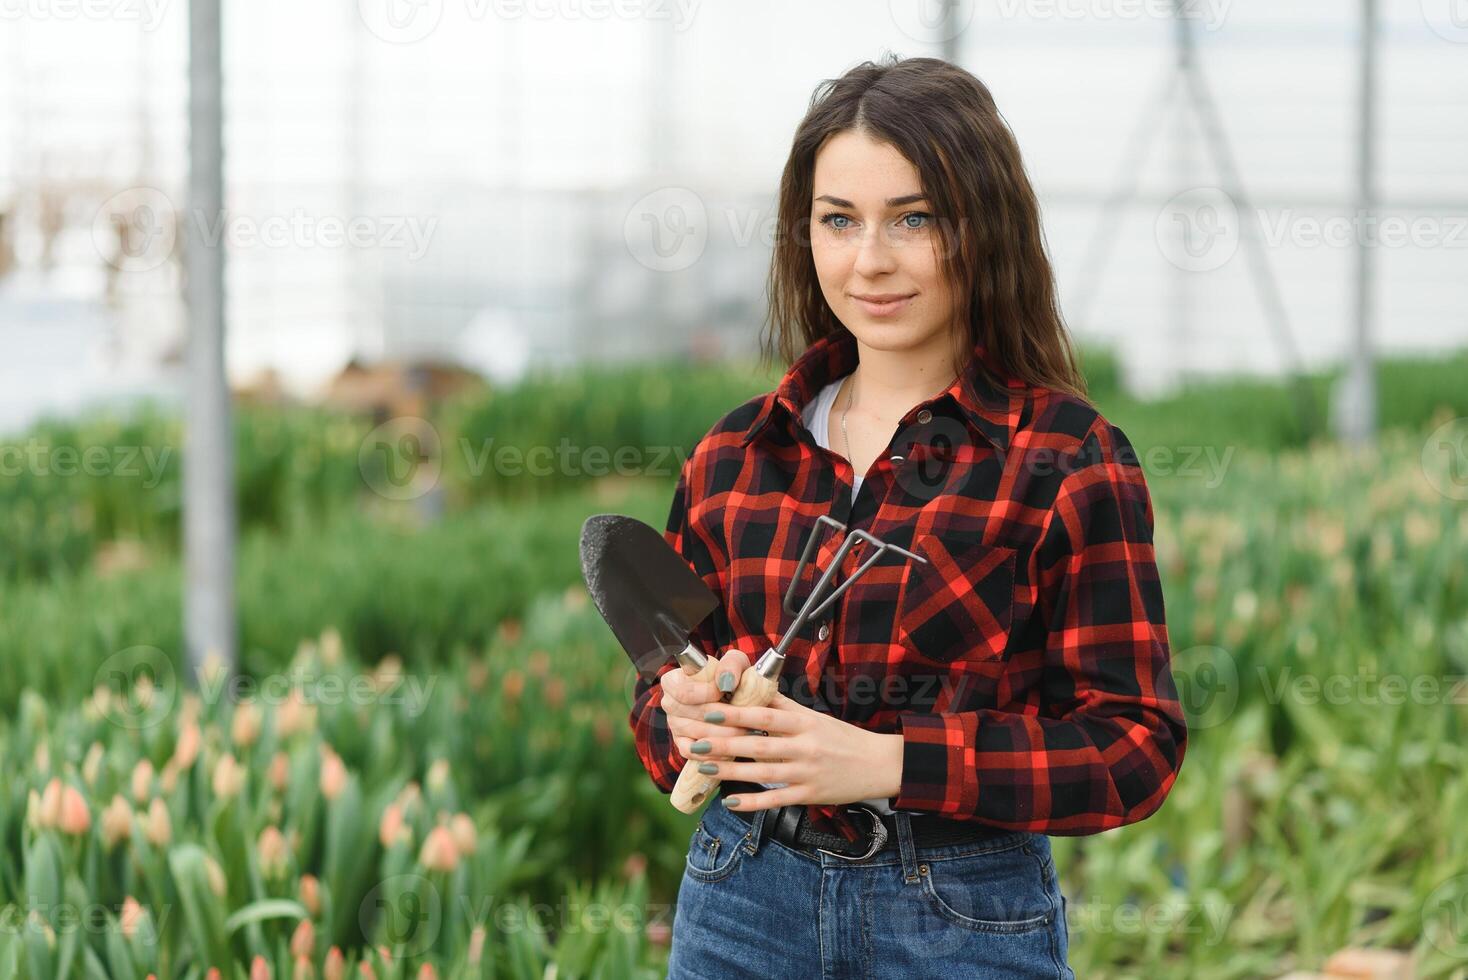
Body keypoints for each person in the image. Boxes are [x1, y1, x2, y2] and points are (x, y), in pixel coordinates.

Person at [629, 54, 1188, 979]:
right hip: (742, 900)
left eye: (914, 218)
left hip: (959, 916)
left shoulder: (1063, 460)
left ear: (984, 228)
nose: (870, 260)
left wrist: (890, 762)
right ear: (801, 234)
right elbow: (657, 701)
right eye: (838, 220)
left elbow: (1133, 746)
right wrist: (686, 719)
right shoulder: (734, 461)